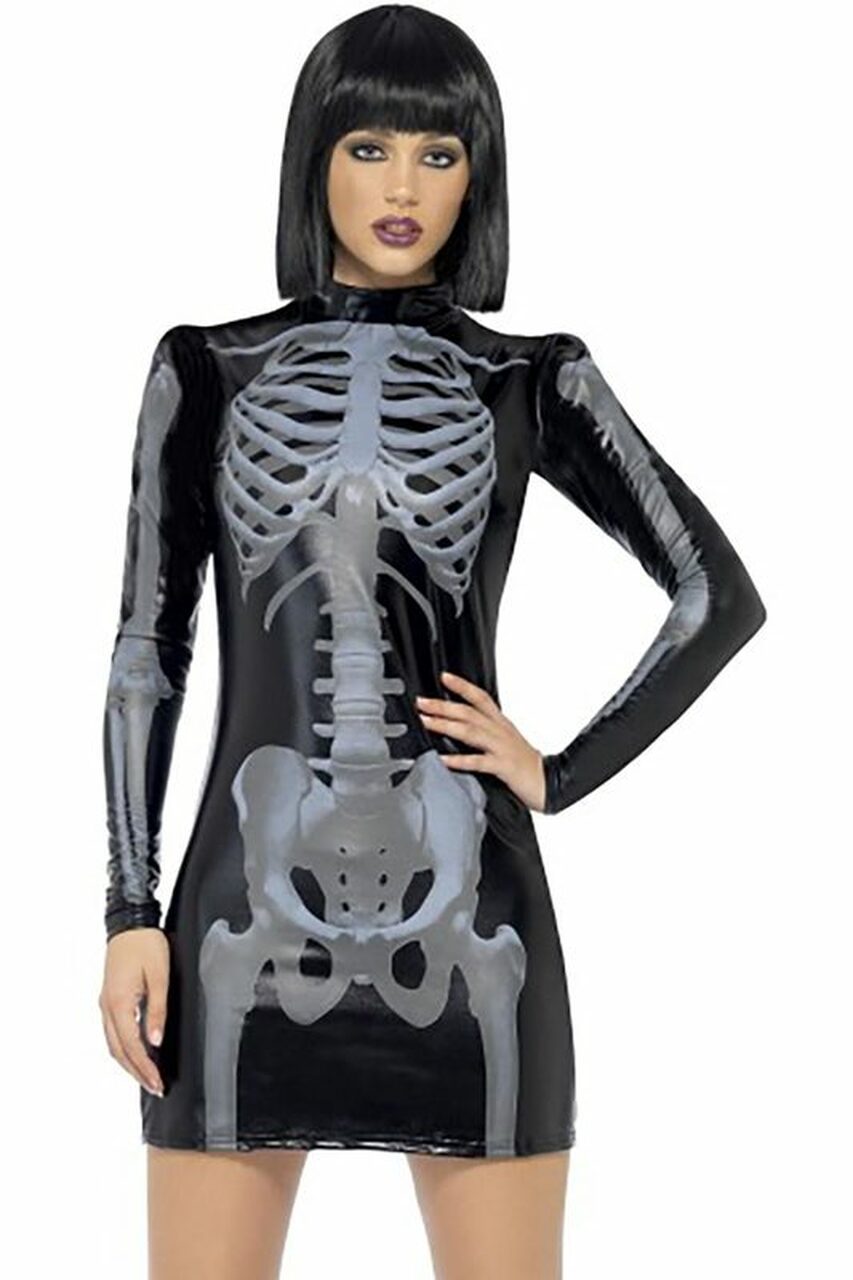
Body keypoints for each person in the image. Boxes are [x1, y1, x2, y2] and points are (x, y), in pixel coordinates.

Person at [98, 5, 767, 1277]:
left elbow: (713, 595)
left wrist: (557, 770)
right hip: (241, 917)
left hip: (473, 925)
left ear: (477, 176)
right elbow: (148, 647)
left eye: (438, 153)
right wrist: (130, 908)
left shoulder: (531, 377)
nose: (402, 187)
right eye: (368, 148)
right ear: (313, 161)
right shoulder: (207, 369)